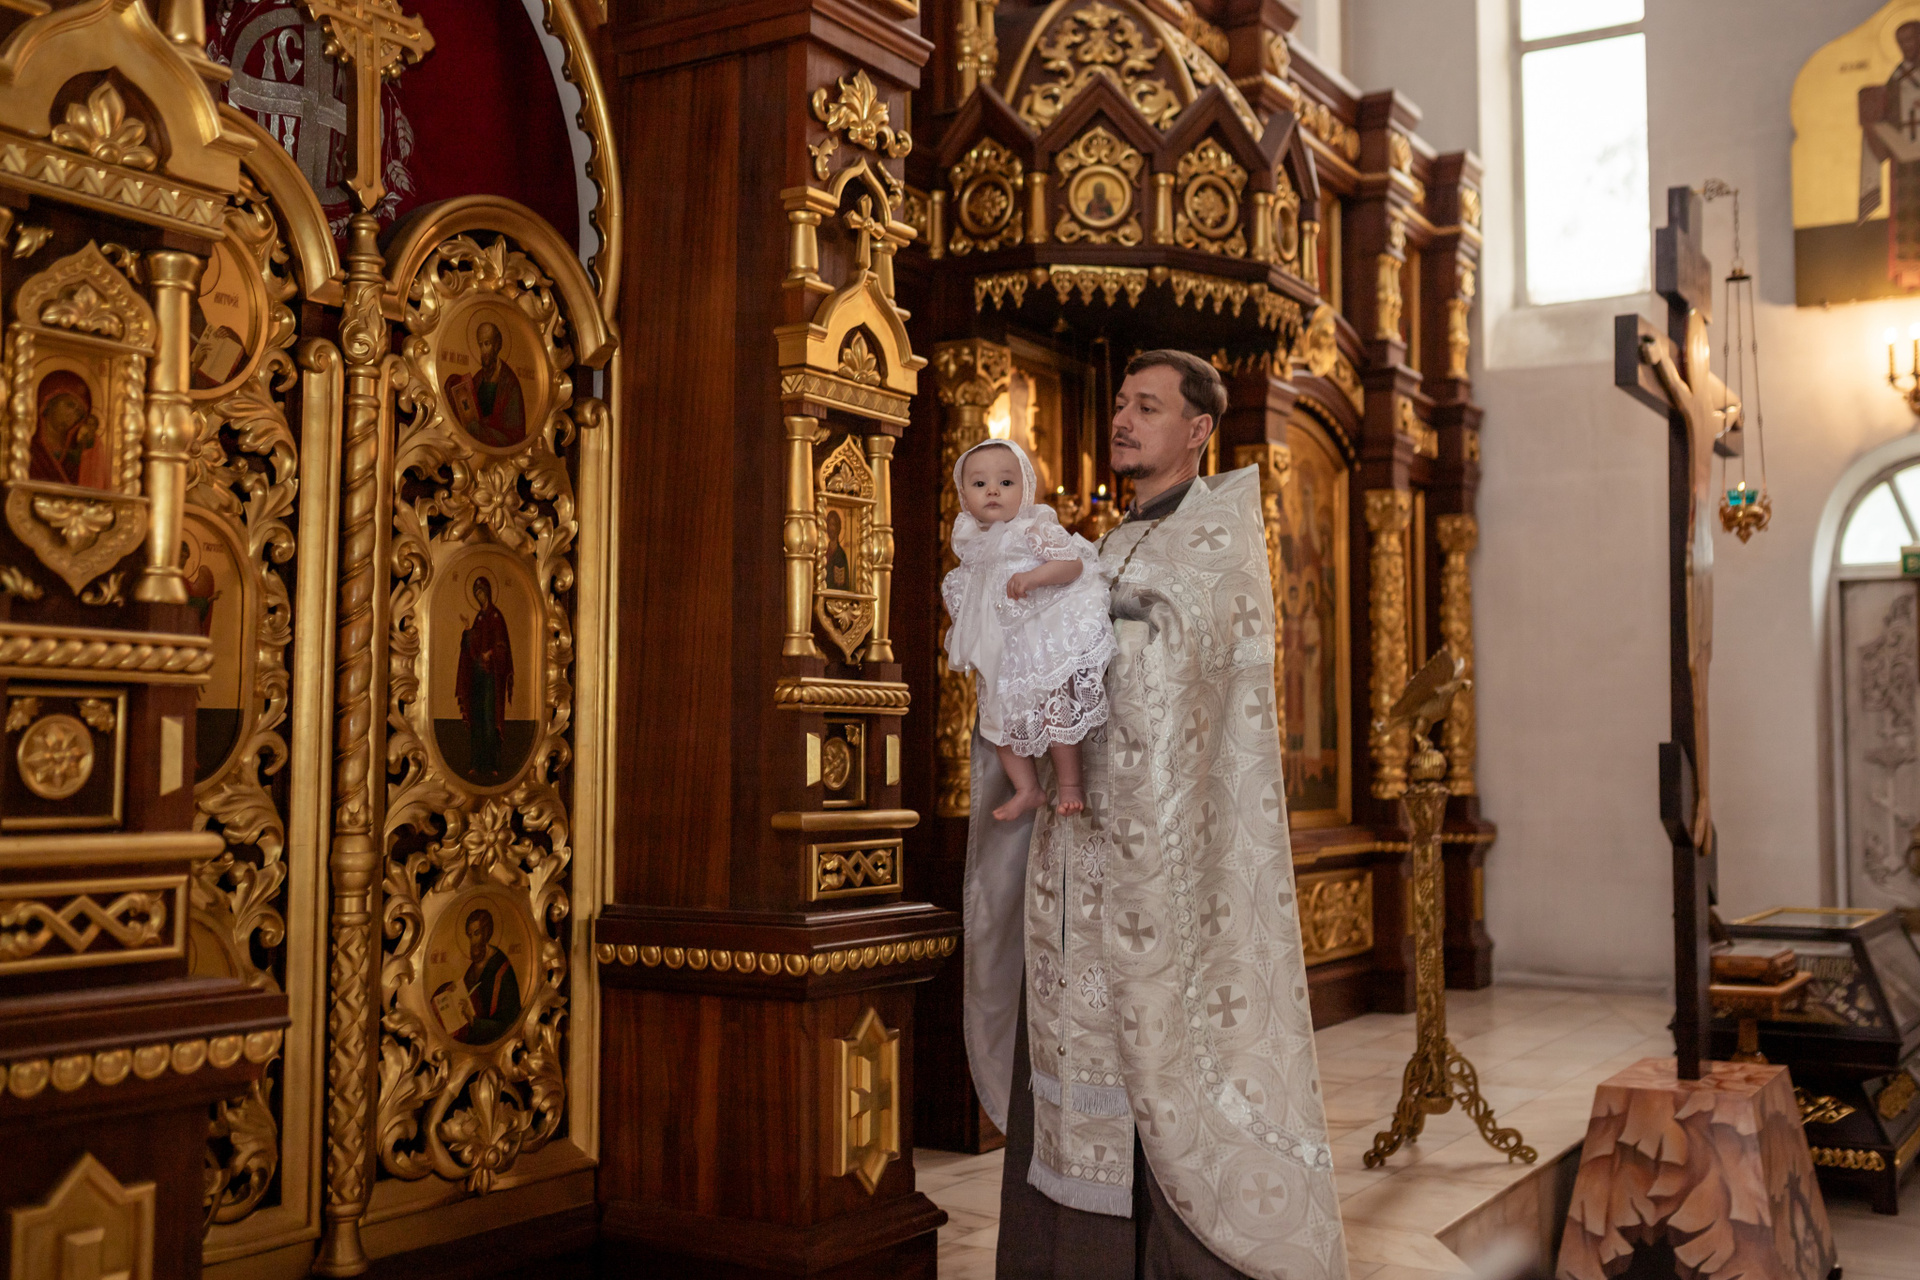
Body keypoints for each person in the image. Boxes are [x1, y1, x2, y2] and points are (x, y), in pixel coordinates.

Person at [967, 351, 1347, 1280]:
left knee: (1153, 1063)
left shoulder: (1214, 540)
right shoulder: (1110, 538)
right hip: (1076, 855)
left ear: (1198, 429)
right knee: (1070, 1063)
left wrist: (1082, 629)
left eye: (1149, 407)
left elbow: (1184, 672)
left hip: (1155, 865)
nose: (1124, 420)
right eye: (1122, 405)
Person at [942, 438, 1114, 822]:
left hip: (1040, 635)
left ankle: (1070, 785)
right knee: (998, 722)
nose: (992, 491)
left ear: (1026, 488)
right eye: (979, 484)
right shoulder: (971, 544)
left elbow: (1071, 565)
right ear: (963, 495)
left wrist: (1035, 577)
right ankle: (1027, 788)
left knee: (1055, 711)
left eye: (1005, 483)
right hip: (1002, 648)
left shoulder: (1031, 528)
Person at [1860, 21, 1920, 288]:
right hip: (1905, 159)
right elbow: (1885, 112)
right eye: (1902, 42)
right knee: (1908, 215)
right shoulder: (1896, 77)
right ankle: (1910, 271)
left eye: (1911, 40)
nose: (1906, 46)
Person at [455, 575, 514, 780]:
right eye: (476, 594)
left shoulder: (496, 617)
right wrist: (467, 631)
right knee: (478, 719)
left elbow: (502, 646)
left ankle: (493, 765)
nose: (479, 597)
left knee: (490, 720)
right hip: (478, 676)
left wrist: (491, 653)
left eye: (481, 592)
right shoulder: (479, 618)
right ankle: (476, 764)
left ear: (488, 592)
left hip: (492, 678)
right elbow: (473, 645)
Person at [445, 320, 528, 447]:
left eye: (487, 344)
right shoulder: (479, 377)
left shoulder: (510, 382)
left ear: (497, 345)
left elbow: (515, 434)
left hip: (503, 441)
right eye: (480, 345)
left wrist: (480, 428)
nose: (483, 350)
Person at [451, 908, 521, 1044]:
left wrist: (475, 1022)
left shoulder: (502, 969)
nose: (472, 941)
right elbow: (468, 997)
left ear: (487, 933)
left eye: (476, 934)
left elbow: (509, 1023)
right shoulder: (474, 967)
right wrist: (454, 992)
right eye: (470, 935)